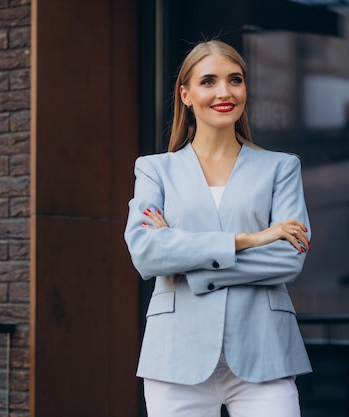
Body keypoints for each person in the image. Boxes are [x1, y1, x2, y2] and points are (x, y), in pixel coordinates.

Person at [124, 40, 312, 417]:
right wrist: (251, 239)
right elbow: (146, 252)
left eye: (235, 80)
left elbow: (288, 260)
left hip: (266, 351)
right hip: (176, 356)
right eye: (208, 81)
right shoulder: (154, 169)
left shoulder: (281, 167)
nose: (224, 92)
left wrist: (183, 257)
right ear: (186, 94)